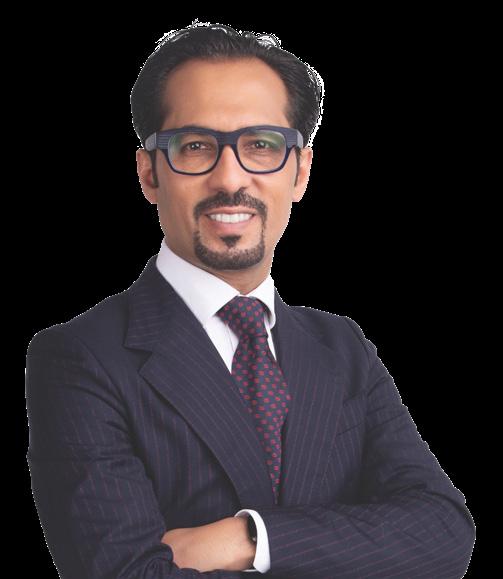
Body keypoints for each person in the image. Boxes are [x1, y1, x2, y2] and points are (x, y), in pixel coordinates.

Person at [25, 22, 475, 578]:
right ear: (149, 174)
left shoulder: (342, 346)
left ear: (300, 172)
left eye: (261, 145)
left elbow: (443, 533)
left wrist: (249, 539)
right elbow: (125, 573)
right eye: (195, 146)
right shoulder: (81, 357)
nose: (229, 177)